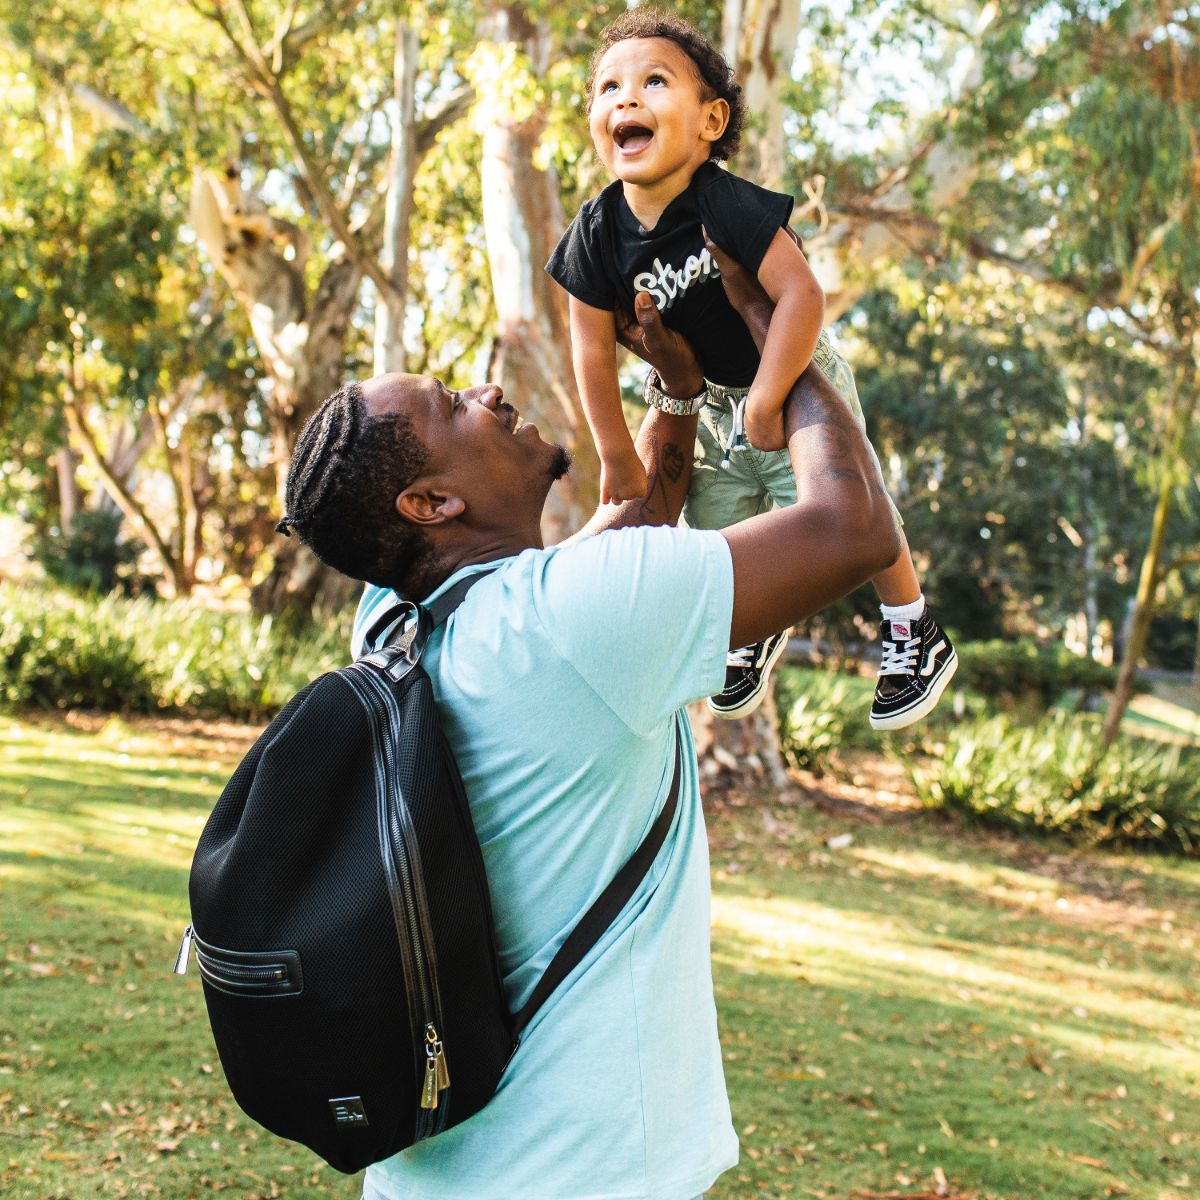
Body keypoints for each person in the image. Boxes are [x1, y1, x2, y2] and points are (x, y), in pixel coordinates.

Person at [275, 239, 899, 1200]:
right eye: (452, 408)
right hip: (587, 1174)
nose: (484, 393)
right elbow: (853, 530)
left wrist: (681, 395)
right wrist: (787, 344)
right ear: (433, 501)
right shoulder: (571, 621)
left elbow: (630, 533)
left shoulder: (396, 619)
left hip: (431, 1176)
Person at [545, 8, 957, 730]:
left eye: (652, 82)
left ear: (710, 121)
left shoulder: (723, 201)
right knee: (717, 521)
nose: (625, 99)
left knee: (848, 498)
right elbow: (589, 348)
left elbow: (802, 293)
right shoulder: (595, 233)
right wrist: (615, 452)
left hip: (791, 372)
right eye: (607, 88)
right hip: (705, 402)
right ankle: (756, 623)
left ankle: (912, 627)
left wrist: (769, 397)